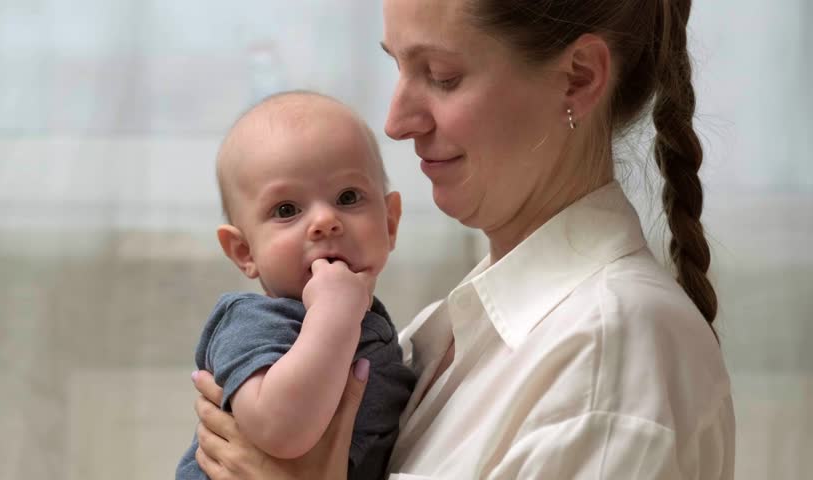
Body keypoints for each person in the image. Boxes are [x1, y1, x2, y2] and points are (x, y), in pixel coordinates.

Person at [189, 0, 736, 478]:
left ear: (578, 77)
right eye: (399, 68)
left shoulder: (609, 356)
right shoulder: (438, 334)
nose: (396, 122)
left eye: (442, 75)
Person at [176, 91, 415, 480]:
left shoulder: (383, 330)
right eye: (286, 210)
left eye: (348, 197)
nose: (324, 220)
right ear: (243, 251)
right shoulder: (253, 324)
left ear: (389, 224)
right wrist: (332, 315)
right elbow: (280, 431)